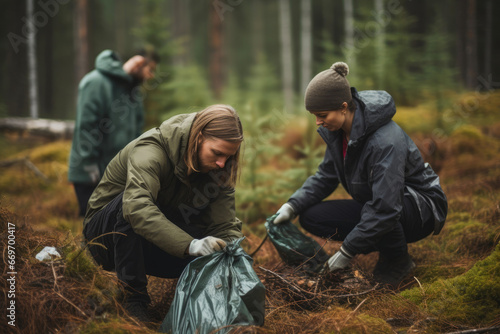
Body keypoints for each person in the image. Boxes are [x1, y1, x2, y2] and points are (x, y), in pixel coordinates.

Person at [273, 62, 448, 288]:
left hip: (421, 208)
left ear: (344, 107)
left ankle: (397, 261)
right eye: (314, 115)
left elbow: (386, 207)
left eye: (322, 115)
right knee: (312, 216)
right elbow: (326, 176)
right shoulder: (338, 132)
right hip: (379, 203)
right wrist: (292, 205)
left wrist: (348, 251)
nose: (318, 122)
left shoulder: (384, 141)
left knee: (375, 208)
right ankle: (381, 241)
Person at [82, 104, 244, 322]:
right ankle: (133, 299)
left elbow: (224, 225)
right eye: (217, 153)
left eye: (228, 157)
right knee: (129, 205)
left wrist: (233, 259)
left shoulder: (217, 167)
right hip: (104, 240)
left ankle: (199, 302)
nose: (221, 163)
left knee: (216, 242)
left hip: (152, 244)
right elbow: (136, 208)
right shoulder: (151, 151)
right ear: (198, 137)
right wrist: (191, 245)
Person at [68, 48, 159, 217]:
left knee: (112, 229)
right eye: (150, 69)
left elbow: (136, 132)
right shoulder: (95, 82)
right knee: (93, 225)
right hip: (92, 173)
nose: (151, 76)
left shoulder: (132, 90)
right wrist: (89, 168)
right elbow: (86, 128)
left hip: (116, 174)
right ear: (138, 62)